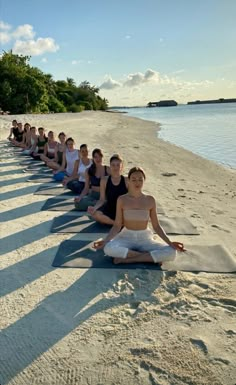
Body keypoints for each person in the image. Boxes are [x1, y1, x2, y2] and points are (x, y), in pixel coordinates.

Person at [94, 166, 185, 264]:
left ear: (144, 181)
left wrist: (170, 243)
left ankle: (128, 259)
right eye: (133, 179)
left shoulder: (150, 200)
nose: (137, 182)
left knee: (172, 252)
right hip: (126, 237)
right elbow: (117, 226)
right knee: (108, 248)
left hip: (144, 238)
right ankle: (148, 256)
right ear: (128, 181)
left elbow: (156, 226)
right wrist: (106, 240)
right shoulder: (122, 200)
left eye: (140, 179)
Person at [88, 154, 128, 225]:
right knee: (95, 215)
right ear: (110, 166)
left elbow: (131, 198)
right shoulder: (104, 180)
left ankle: (118, 223)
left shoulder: (127, 180)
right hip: (109, 208)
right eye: (113, 165)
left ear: (122, 167)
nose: (115, 167)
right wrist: (94, 208)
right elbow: (102, 199)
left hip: (122, 210)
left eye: (118, 165)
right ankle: (117, 224)